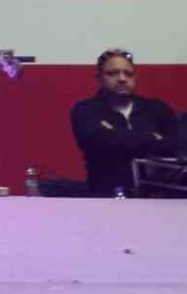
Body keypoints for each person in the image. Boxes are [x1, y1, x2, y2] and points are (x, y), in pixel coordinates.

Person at [71, 49, 178, 197]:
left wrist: (118, 136)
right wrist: (152, 138)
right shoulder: (86, 110)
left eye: (128, 74)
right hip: (104, 196)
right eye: (112, 73)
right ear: (99, 79)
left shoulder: (157, 109)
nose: (122, 79)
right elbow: (99, 144)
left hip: (155, 195)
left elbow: (174, 146)